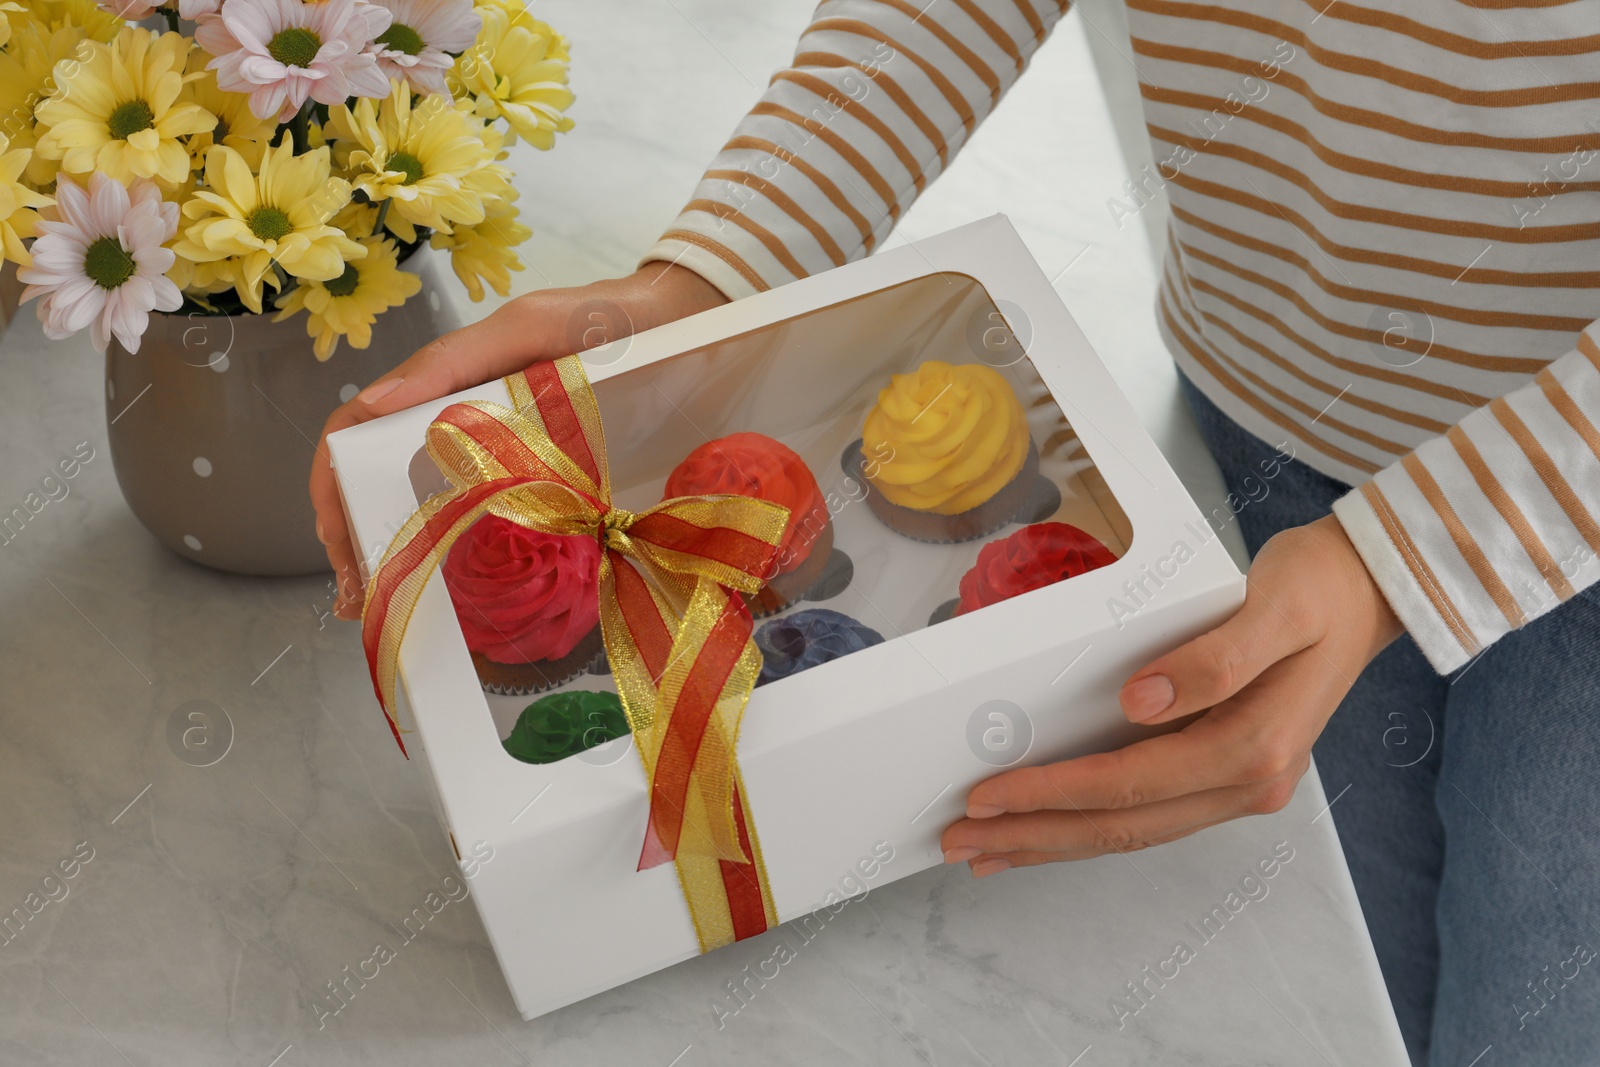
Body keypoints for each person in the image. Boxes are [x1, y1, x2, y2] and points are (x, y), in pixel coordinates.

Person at [310, 3, 1600, 1062]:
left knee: (1533, 1006)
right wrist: (707, 283)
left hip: (1576, 508)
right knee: (1344, 976)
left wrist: (1407, 556)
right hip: (1258, 412)